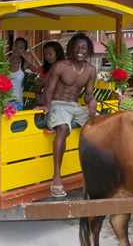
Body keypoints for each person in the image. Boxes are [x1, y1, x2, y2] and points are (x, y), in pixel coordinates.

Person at [36, 33, 97, 197]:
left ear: (88, 50)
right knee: (63, 128)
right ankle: (57, 178)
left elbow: (88, 95)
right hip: (57, 104)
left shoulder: (90, 69)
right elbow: (48, 90)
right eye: (76, 46)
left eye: (83, 47)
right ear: (70, 48)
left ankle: (97, 171)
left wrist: (92, 101)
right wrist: (47, 106)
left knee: (100, 125)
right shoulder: (60, 66)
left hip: (76, 106)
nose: (80, 50)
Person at [7, 37, 39, 109]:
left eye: (21, 48)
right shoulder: (4, 62)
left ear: (24, 51)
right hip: (2, 101)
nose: (17, 49)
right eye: (15, 46)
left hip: (16, 102)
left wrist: (33, 55)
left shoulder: (25, 63)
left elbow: (42, 71)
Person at [34, 41, 65, 106]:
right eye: (45, 55)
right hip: (46, 102)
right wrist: (38, 97)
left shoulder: (67, 68)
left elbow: (67, 88)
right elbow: (37, 91)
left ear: (57, 53)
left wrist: (47, 83)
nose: (48, 57)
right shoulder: (42, 70)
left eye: (50, 54)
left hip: (62, 103)